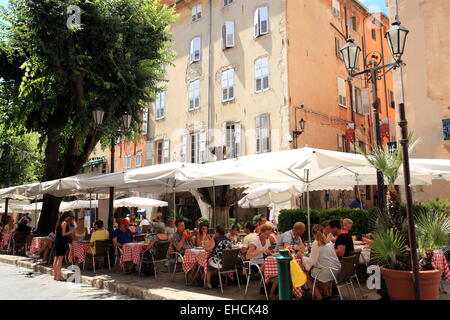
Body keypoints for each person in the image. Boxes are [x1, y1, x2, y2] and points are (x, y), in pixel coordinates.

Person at [302, 224, 341, 300]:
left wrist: (302, 257)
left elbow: (312, 261)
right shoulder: (329, 243)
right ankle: (327, 294)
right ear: (323, 231)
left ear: (313, 233)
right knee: (317, 272)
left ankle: (319, 297)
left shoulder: (316, 243)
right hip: (337, 270)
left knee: (305, 276)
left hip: (328, 271)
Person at [53, 213, 76, 281]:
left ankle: (55, 275)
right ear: (66, 217)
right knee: (60, 260)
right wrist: (71, 231)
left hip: (57, 242)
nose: (69, 218)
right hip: (61, 242)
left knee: (56, 259)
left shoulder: (58, 223)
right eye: (69, 217)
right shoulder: (64, 223)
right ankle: (59, 276)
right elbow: (63, 234)